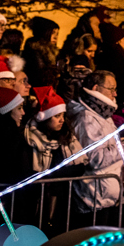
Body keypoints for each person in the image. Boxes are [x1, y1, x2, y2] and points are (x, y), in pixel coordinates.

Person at [66, 70, 124, 217]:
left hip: (106, 196)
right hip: (93, 198)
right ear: (95, 88)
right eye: (111, 89)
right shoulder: (86, 119)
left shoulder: (103, 115)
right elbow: (95, 158)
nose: (115, 94)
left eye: (115, 89)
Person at [24, 86, 87, 234]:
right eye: (57, 116)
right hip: (37, 200)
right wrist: (58, 174)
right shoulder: (32, 139)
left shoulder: (66, 137)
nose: (62, 120)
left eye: (63, 115)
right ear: (44, 117)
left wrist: (54, 175)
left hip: (62, 198)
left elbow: (80, 165)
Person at [23, 17, 60, 87]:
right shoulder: (34, 51)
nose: (56, 37)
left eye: (57, 34)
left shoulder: (55, 52)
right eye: (52, 33)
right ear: (44, 33)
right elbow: (40, 76)